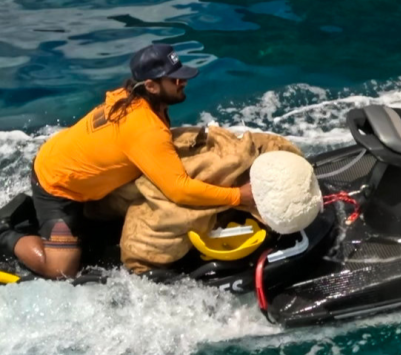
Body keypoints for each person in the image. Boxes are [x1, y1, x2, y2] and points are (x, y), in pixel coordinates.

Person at [0, 44, 257, 279]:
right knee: (61, 270)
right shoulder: (145, 129)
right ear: (151, 85)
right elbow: (179, 190)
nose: (183, 82)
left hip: (80, 169)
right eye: (174, 78)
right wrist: (238, 196)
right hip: (56, 185)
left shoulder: (135, 96)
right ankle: (6, 236)